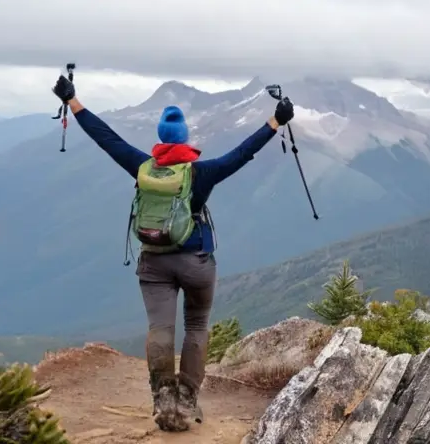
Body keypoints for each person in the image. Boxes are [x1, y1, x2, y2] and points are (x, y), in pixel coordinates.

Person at [51, 75, 294, 432]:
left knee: (160, 328)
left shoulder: (142, 167)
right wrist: (276, 121)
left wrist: (72, 100)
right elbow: (242, 153)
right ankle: (187, 398)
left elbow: (105, 138)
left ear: (161, 138)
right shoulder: (201, 172)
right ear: (185, 139)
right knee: (196, 326)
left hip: (154, 263)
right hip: (196, 263)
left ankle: (163, 397)